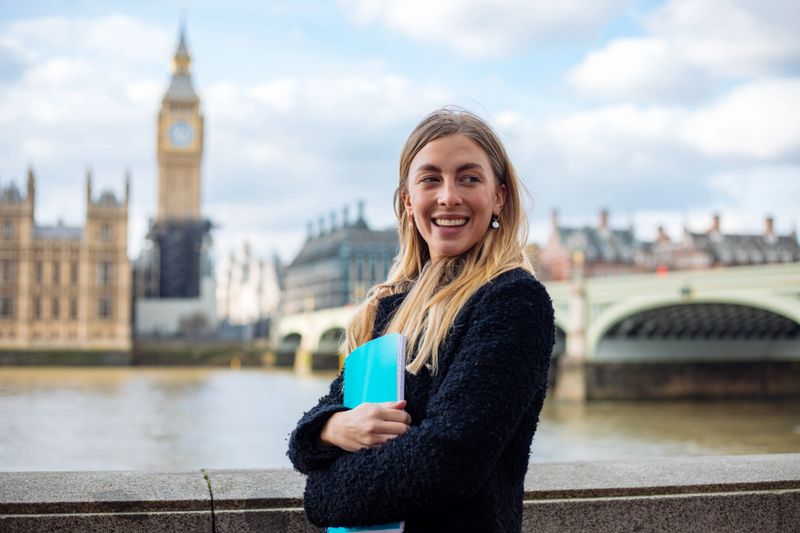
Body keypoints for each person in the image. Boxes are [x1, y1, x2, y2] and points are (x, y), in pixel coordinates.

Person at [287, 107, 555, 532]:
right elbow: (315, 426)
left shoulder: (513, 301)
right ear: (409, 201)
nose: (449, 196)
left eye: (469, 178)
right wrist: (333, 427)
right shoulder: (389, 309)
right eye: (431, 179)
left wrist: (325, 493)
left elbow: (450, 461)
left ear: (499, 196)